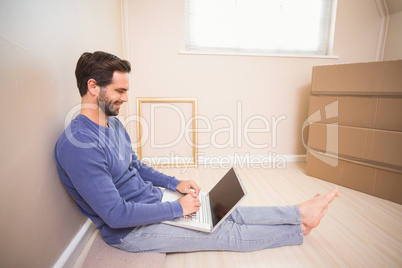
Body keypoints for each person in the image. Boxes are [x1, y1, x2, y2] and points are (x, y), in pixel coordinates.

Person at [55, 51, 339, 253]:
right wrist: (177, 208)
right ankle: (296, 229)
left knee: (218, 211)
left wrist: (173, 184)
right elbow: (116, 215)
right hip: (130, 231)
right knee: (221, 232)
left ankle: (298, 211)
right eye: (120, 90)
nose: (126, 98)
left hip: (151, 203)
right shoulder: (79, 146)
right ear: (94, 87)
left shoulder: (112, 124)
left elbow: (136, 166)